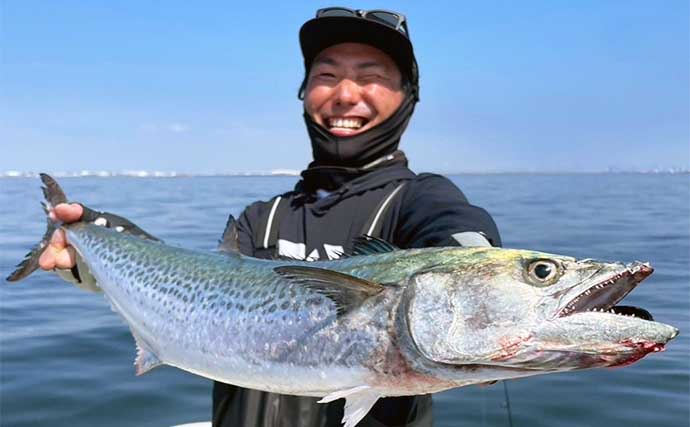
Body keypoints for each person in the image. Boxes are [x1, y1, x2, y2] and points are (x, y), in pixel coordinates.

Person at [39, 7, 502, 427]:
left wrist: (490, 304)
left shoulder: (419, 199)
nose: (345, 94)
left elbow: (461, 246)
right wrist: (91, 261)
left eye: (370, 75)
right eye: (327, 74)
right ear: (304, 92)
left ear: (408, 97)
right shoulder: (260, 218)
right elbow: (195, 295)